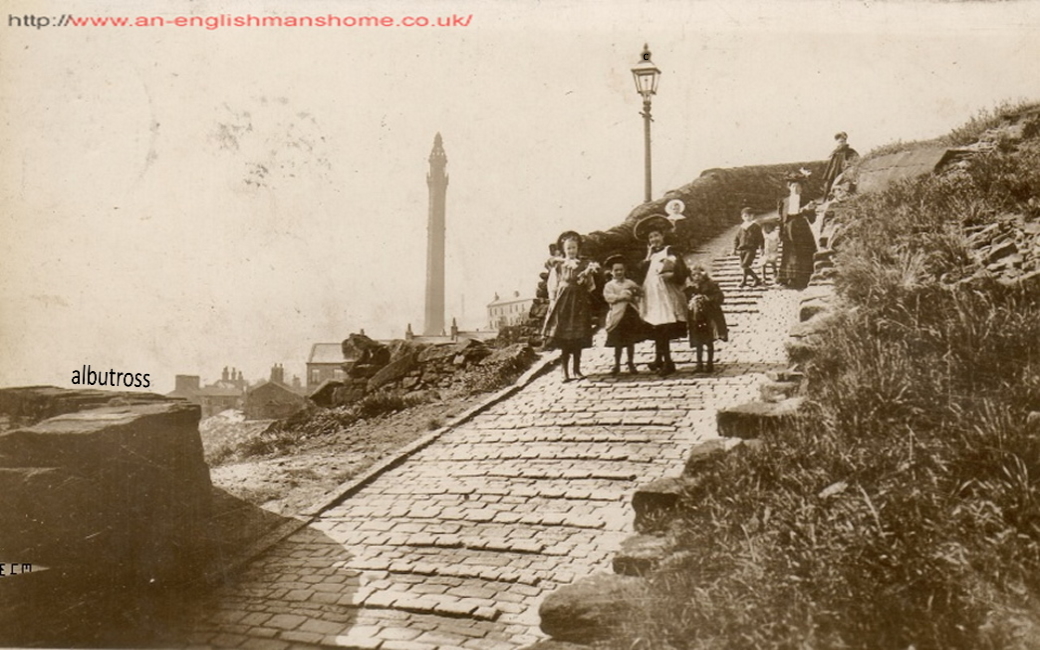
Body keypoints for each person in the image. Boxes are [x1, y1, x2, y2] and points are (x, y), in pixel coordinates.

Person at [635, 214, 689, 377]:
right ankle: (658, 358)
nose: (654, 239)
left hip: (665, 296)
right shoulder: (649, 255)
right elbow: (641, 273)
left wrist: (672, 275)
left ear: (662, 236)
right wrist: (648, 256)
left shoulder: (670, 251)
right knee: (656, 327)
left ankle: (668, 362)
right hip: (652, 296)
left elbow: (681, 270)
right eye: (651, 237)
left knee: (663, 327)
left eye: (656, 235)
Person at [542, 231, 599, 382]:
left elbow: (591, 287)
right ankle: (564, 371)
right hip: (564, 305)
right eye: (568, 248)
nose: (571, 251)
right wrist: (553, 302)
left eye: (574, 248)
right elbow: (552, 286)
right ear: (564, 250)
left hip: (579, 305)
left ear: (578, 249)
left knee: (578, 338)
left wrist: (585, 279)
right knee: (565, 339)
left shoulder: (585, 266)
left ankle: (577, 370)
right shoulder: (559, 266)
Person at [602, 254, 651, 376]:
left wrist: (634, 293)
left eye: (621, 270)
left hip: (630, 315)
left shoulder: (629, 283)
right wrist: (620, 297)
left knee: (630, 341)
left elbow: (640, 292)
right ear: (612, 272)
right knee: (618, 342)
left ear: (625, 270)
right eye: (616, 270)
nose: (619, 272)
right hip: (618, 315)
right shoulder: (610, 285)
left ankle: (630, 362)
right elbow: (608, 297)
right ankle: (617, 364)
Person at [777, 175, 818, 290]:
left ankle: (803, 279)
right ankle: (788, 279)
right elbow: (781, 218)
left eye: (798, 186)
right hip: (788, 229)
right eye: (793, 186)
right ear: (789, 187)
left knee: (802, 252)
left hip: (801, 228)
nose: (795, 189)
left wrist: (809, 210)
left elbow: (812, 219)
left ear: (801, 188)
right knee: (789, 253)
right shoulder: (784, 201)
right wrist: (781, 233)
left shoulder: (806, 200)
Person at [685, 265, 728, 373]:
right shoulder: (691, 287)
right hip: (696, 317)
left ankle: (709, 363)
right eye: (693, 275)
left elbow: (720, 297)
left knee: (709, 340)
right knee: (698, 341)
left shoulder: (711, 284)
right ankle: (699, 364)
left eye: (698, 274)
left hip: (708, 316)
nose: (696, 277)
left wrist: (706, 298)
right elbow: (686, 299)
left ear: (703, 274)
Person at [733, 207, 764, 288]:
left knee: (744, 265)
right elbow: (736, 239)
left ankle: (756, 279)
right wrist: (734, 248)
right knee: (743, 266)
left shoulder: (755, 227)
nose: (747, 217)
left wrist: (761, 248)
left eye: (749, 216)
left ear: (752, 216)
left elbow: (760, 238)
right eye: (745, 216)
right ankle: (744, 281)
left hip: (751, 249)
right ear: (742, 217)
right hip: (741, 249)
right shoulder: (741, 228)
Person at [823, 131, 859, 199]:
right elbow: (831, 165)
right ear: (837, 142)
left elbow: (855, 161)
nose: (841, 143)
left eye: (843, 141)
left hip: (844, 173)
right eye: (839, 142)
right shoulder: (835, 152)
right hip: (834, 173)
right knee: (830, 186)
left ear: (845, 141)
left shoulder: (850, 151)